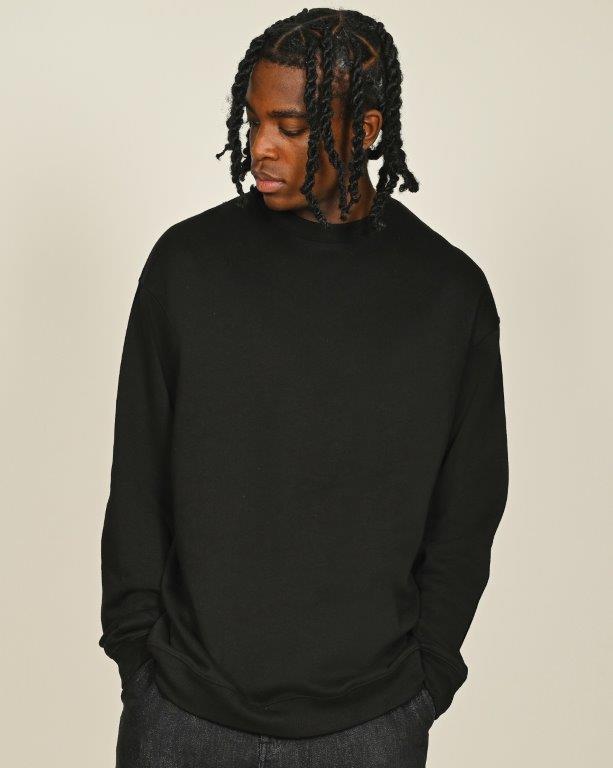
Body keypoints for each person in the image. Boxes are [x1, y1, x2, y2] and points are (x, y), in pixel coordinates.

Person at [98, 8, 509, 767]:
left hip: (370, 722)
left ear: (366, 130)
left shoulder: (447, 294)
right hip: (181, 714)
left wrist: (425, 681)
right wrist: (138, 663)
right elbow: (138, 480)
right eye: (254, 121)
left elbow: (468, 507)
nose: (260, 146)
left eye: (290, 126)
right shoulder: (187, 267)